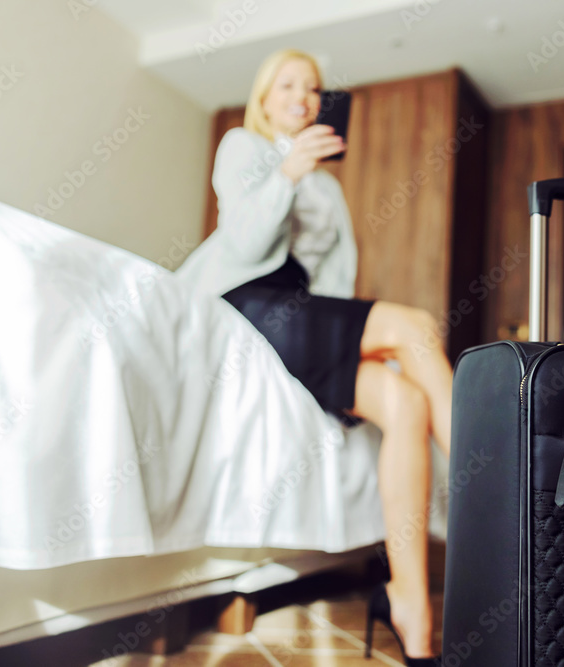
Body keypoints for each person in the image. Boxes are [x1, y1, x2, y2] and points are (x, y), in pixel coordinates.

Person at [176, 48, 452, 664]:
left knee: (404, 400)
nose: (303, 96)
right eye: (288, 86)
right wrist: (287, 171)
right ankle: (510, 493)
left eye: (314, 88)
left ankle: (411, 606)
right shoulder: (242, 148)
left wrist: (349, 360)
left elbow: (334, 286)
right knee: (418, 328)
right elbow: (245, 242)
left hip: (306, 318)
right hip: (248, 305)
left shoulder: (328, 186)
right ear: (265, 99)